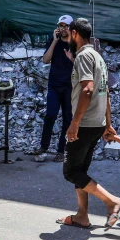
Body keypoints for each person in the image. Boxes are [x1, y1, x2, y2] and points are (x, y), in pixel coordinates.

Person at [60, 18, 120, 230]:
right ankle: (82, 216)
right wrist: (108, 122)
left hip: (85, 123)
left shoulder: (84, 56)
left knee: (71, 172)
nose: (68, 38)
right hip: (96, 122)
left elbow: (88, 90)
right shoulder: (97, 57)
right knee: (81, 170)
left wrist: (74, 123)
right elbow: (105, 92)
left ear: (75, 34)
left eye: (69, 34)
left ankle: (112, 201)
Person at [31, 14, 75, 163]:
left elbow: (80, 64)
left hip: (69, 86)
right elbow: (45, 60)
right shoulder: (54, 42)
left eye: (66, 26)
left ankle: (62, 151)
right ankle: (44, 146)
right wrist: (55, 42)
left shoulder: (75, 44)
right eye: (60, 26)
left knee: (67, 118)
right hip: (54, 85)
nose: (62, 29)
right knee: (50, 115)